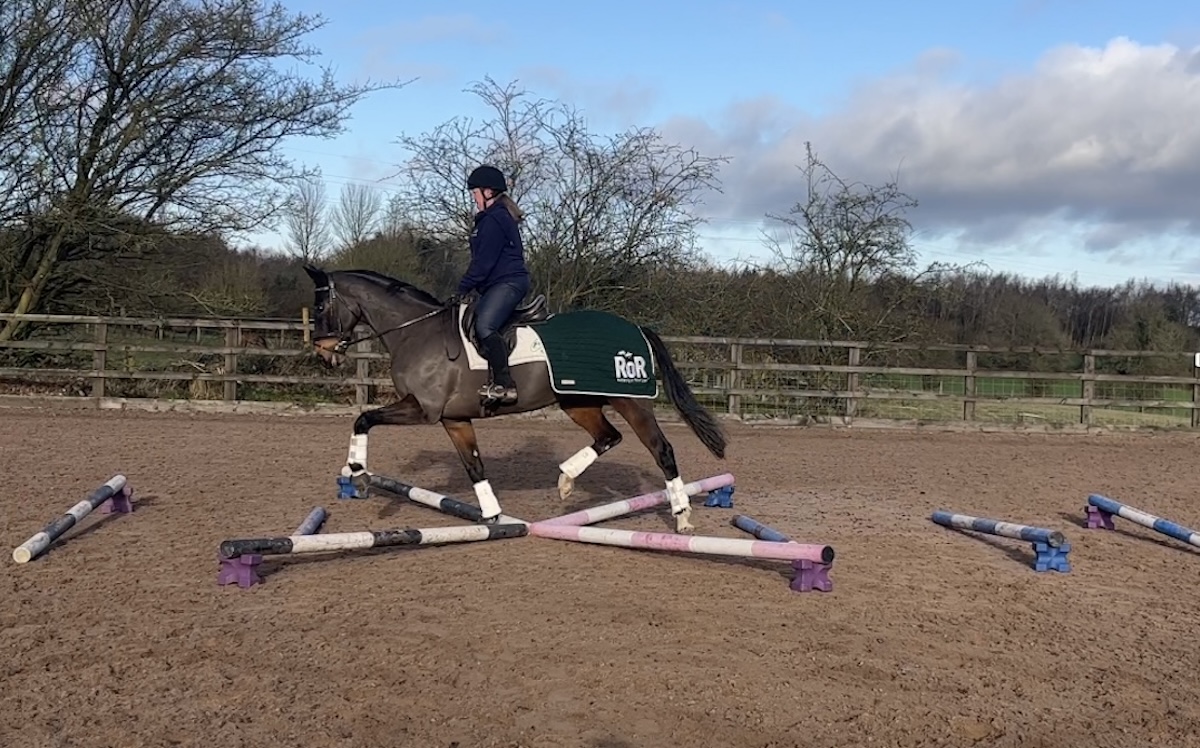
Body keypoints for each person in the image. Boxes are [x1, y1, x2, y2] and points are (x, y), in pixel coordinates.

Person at [451, 164, 531, 406]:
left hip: (508, 282)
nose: (473, 198)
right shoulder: (489, 219)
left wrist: (462, 288)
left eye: (475, 192)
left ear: (488, 193)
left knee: (485, 326)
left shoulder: (495, 220)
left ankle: (506, 385)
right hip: (496, 283)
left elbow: (483, 263)